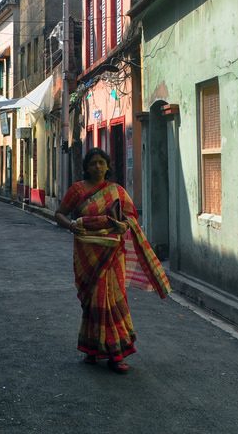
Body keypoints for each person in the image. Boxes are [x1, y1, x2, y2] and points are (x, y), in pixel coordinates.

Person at [54, 148, 170, 374]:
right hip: (87, 252)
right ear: (86, 167)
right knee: (91, 301)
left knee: (113, 300)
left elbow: (130, 218)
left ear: (108, 167)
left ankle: (117, 354)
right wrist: (71, 227)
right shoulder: (77, 190)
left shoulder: (116, 191)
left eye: (101, 163)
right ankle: (93, 348)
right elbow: (59, 213)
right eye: (93, 163)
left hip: (112, 254)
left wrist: (123, 226)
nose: (97, 167)